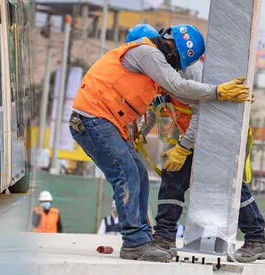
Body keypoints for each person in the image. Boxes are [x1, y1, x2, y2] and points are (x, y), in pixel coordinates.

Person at [69, 24, 250, 262]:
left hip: (106, 123)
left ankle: (142, 240)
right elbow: (177, 85)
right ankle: (134, 242)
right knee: (127, 174)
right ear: (171, 44)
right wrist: (217, 92)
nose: (176, 66)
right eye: (176, 61)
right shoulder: (148, 53)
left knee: (139, 175)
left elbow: (179, 95)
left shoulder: (152, 64)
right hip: (93, 119)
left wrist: (217, 98)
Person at [127, 28, 265, 263]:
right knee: (173, 177)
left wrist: (183, 148)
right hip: (194, 135)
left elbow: (202, 112)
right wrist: (143, 130)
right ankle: (164, 238)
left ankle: (256, 239)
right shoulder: (156, 65)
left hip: (219, 132)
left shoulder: (188, 70)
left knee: (227, 185)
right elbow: (156, 104)